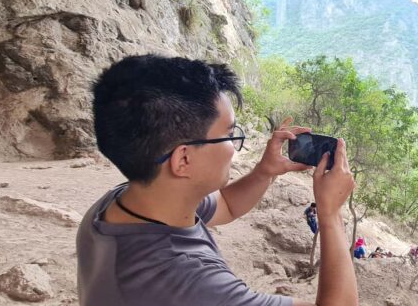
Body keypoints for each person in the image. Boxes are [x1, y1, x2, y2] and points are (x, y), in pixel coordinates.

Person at [77, 55, 360, 306]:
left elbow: (225, 204)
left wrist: (265, 171)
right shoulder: (187, 282)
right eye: (229, 134)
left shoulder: (123, 204)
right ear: (183, 159)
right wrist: (331, 214)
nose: (234, 146)